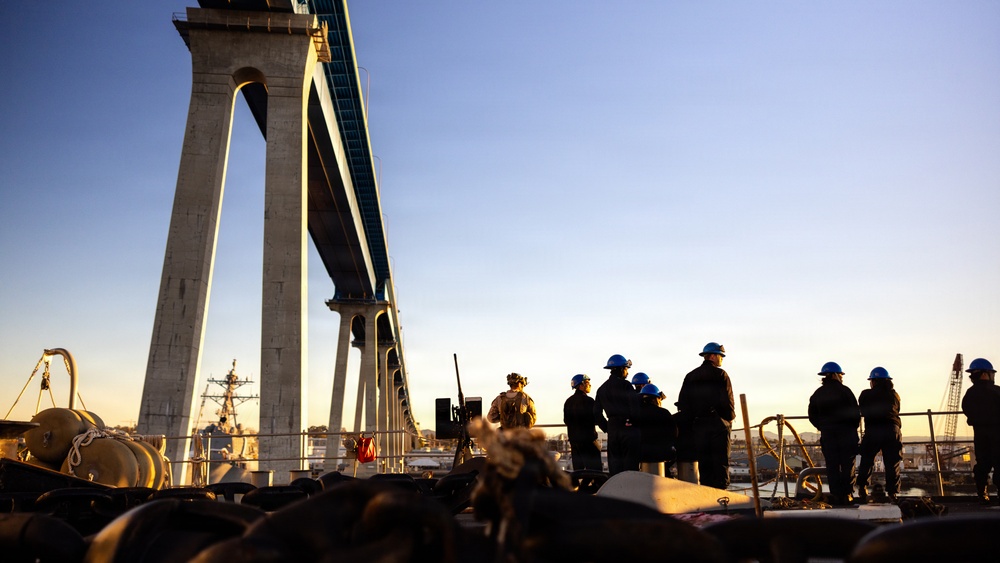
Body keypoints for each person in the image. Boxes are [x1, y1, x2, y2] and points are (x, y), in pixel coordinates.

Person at [675, 342, 735, 490]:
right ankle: (721, 494)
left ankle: (706, 492)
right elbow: (728, 402)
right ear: (713, 356)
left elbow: (682, 403)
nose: (722, 359)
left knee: (704, 463)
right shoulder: (721, 375)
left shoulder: (690, 376)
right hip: (718, 425)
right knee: (720, 462)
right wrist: (728, 418)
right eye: (721, 356)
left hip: (698, 426)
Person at [808, 361, 861, 506]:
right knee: (847, 464)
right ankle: (847, 495)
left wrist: (822, 426)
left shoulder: (817, 394)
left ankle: (836, 496)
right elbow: (856, 413)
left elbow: (812, 415)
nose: (842, 377)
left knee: (832, 465)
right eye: (841, 375)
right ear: (835, 375)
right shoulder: (846, 391)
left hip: (828, 434)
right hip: (847, 433)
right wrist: (851, 427)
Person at [856, 366, 902, 503]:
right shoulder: (894, 395)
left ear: (873, 381)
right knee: (892, 462)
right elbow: (897, 410)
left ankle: (862, 488)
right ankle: (893, 493)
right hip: (891, 429)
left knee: (867, 460)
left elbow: (862, 411)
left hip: (873, 429)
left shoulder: (866, 394)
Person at [593, 354, 641, 475]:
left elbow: (596, 413)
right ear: (620, 369)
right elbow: (635, 409)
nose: (627, 373)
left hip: (613, 429)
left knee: (615, 466)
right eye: (626, 369)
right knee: (630, 466)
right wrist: (634, 424)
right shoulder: (626, 386)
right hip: (628, 428)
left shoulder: (601, 389)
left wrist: (607, 427)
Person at [961, 358, 1000, 504]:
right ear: (985, 374)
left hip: (980, 433)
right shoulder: (997, 391)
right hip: (997, 433)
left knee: (982, 464)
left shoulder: (970, 394)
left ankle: (982, 494)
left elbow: (967, 410)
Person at [563, 374, 603, 471]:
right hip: (588, 440)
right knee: (595, 470)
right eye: (587, 383)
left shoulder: (568, 401)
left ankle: (580, 486)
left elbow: (566, 420)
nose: (590, 385)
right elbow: (597, 418)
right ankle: (595, 486)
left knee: (579, 471)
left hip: (574, 442)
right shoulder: (589, 401)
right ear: (581, 385)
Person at [637, 383, 677, 477]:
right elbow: (674, 433)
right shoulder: (664, 413)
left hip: (641, 452)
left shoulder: (637, 414)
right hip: (662, 452)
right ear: (656, 399)